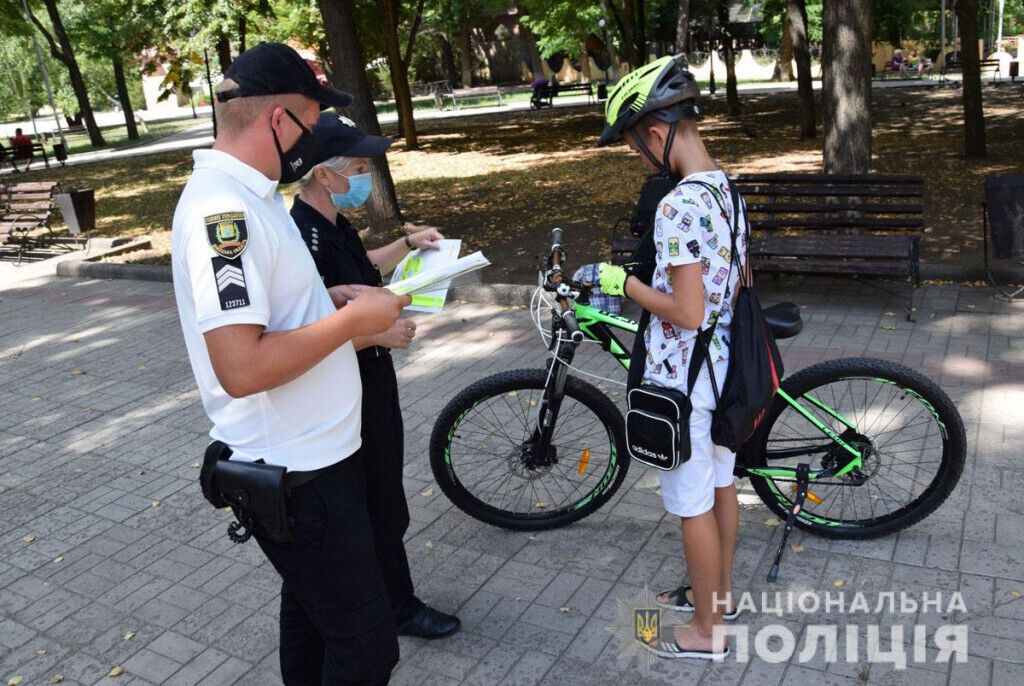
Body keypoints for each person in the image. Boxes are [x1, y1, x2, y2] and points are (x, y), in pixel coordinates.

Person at [170, 42, 410, 684]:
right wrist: (351, 323)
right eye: (311, 121)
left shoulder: (250, 197)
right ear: (281, 121)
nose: (316, 141)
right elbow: (241, 366)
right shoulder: (227, 213)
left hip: (314, 462)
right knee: (365, 650)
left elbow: (267, 316)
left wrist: (325, 300)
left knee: (312, 621)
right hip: (299, 476)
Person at [595, 54, 747, 660]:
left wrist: (622, 282)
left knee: (692, 505)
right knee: (722, 485)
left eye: (635, 147)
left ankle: (706, 635)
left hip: (683, 378)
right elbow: (732, 286)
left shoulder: (680, 204)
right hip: (722, 365)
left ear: (655, 134)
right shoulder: (725, 189)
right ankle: (719, 597)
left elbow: (684, 312)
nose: (638, 158)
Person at [289, 112, 461, 639]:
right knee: (378, 506)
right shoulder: (303, 238)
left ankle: (383, 604)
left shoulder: (331, 224)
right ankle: (397, 610)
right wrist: (378, 336)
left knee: (384, 498)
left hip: (372, 386)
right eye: (359, 167)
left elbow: (360, 266)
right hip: (348, 394)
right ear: (325, 173)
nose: (365, 177)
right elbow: (309, 336)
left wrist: (409, 246)